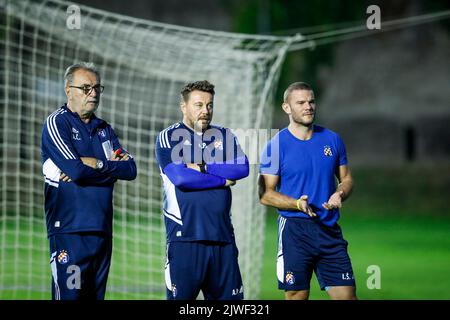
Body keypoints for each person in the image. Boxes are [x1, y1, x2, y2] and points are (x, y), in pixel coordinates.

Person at [41, 62, 137, 300]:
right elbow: (78, 171)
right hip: (70, 231)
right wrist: (108, 171)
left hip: (102, 231)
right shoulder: (57, 123)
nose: (93, 93)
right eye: (85, 88)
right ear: (68, 90)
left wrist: (98, 163)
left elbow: (131, 169)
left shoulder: (105, 129)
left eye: (96, 88)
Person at [258, 82, 357, 300]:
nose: (308, 106)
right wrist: (296, 204)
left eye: (311, 101)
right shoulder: (275, 146)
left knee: (347, 297)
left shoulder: (332, 139)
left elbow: (346, 178)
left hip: (329, 230)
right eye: (300, 102)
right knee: (296, 296)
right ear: (286, 108)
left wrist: (339, 193)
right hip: (294, 231)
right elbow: (265, 194)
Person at [155, 80, 249, 300]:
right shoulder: (169, 137)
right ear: (184, 106)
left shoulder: (224, 135)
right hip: (185, 240)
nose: (205, 111)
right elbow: (181, 178)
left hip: (223, 239)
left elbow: (241, 167)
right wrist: (222, 180)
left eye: (210, 105)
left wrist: (202, 167)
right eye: (199, 105)